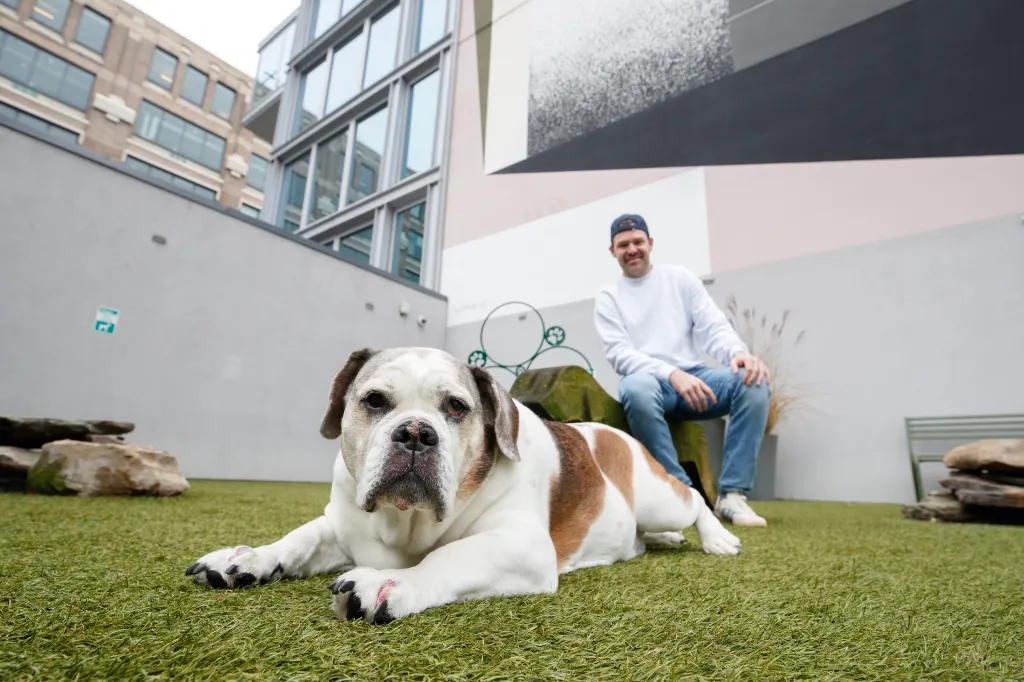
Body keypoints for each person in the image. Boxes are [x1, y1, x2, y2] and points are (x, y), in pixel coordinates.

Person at [593, 214, 772, 527]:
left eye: (637, 241)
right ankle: (680, 494)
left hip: (697, 381)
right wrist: (671, 374)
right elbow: (621, 355)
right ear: (612, 251)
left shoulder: (680, 279)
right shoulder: (609, 298)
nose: (632, 249)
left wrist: (738, 353)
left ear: (650, 243)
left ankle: (732, 495)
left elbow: (713, 326)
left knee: (752, 380)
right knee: (635, 387)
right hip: (652, 386)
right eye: (623, 245)